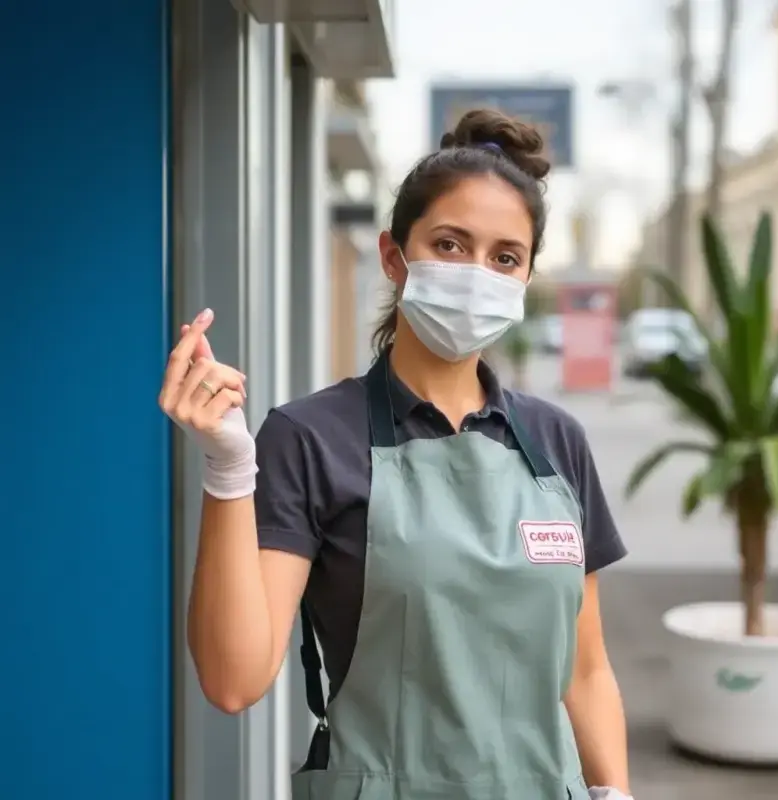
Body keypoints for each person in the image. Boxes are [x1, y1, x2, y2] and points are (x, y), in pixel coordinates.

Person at [159, 108, 633, 800]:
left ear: (526, 278)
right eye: (449, 244)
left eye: (505, 257)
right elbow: (234, 681)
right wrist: (229, 468)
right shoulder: (311, 438)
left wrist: (614, 791)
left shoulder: (557, 441)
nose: (477, 273)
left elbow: (585, 670)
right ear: (393, 256)